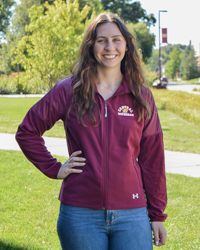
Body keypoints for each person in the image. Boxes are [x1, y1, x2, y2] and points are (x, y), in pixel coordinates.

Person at [16, 13, 167, 250]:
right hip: (79, 214)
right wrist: (55, 169)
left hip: (132, 214)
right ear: (91, 46)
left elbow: (153, 159)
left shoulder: (141, 96)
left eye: (116, 39)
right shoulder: (69, 90)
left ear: (126, 45)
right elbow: (27, 132)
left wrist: (157, 214)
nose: (110, 47)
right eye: (101, 40)